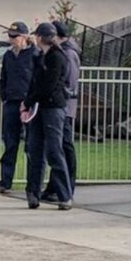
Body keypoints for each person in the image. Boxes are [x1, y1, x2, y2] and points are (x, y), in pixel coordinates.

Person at [23, 22, 72, 210]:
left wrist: (29, 101)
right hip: (39, 107)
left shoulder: (57, 57)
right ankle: (33, 192)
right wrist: (28, 101)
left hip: (53, 108)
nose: (35, 39)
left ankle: (64, 195)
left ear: (42, 37)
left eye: (37, 36)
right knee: (35, 150)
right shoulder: (40, 56)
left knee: (54, 151)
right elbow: (34, 82)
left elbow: (48, 86)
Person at [0, 21, 39, 195]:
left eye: (14, 36)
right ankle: (5, 181)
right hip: (11, 103)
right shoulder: (9, 56)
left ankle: (33, 184)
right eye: (9, 36)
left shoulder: (34, 54)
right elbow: (4, 78)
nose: (11, 39)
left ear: (24, 37)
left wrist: (31, 100)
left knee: (31, 144)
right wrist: (4, 96)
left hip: (29, 104)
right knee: (10, 143)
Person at [41, 20, 81, 202]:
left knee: (64, 148)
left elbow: (69, 82)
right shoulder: (62, 52)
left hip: (64, 107)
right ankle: (54, 187)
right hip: (63, 106)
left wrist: (62, 97)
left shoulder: (67, 54)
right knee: (60, 148)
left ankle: (65, 187)